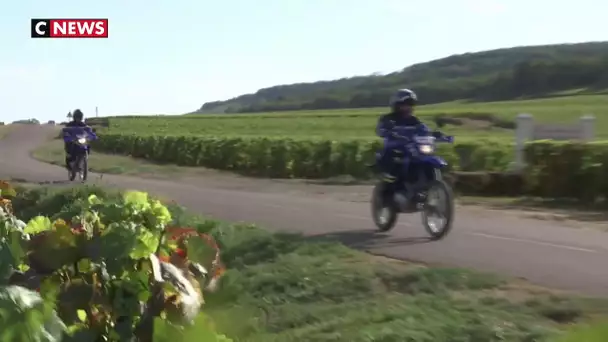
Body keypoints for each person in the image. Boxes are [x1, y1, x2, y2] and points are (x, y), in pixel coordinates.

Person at [375, 88, 423, 185]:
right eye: (406, 104)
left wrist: (436, 134)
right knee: (391, 153)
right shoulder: (387, 118)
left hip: (411, 146)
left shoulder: (414, 120)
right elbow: (380, 129)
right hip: (395, 145)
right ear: (397, 105)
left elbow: (424, 129)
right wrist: (388, 132)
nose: (409, 107)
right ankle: (388, 174)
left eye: (411, 104)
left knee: (423, 155)